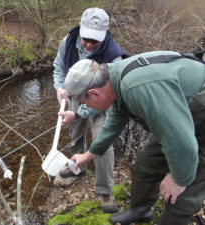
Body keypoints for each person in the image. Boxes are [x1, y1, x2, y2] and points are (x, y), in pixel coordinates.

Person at [61, 51, 205, 225]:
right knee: (146, 165)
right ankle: (141, 211)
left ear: (95, 93)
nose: (85, 107)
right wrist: (88, 155)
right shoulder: (115, 79)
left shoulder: (138, 88)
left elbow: (183, 143)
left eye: (84, 103)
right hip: (179, 120)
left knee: (184, 193)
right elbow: (113, 123)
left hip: (197, 121)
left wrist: (178, 179)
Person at [52, 7, 126, 211]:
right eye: (86, 38)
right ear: (80, 28)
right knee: (75, 133)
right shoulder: (68, 42)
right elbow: (59, 66)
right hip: (76, 95)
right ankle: (78, 167)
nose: (89, 44)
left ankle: (105, 191)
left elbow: (107, 99)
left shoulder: (113, 56)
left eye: (95, 40)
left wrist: (78, 113)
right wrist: (60, 87)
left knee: (102, 142)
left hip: (103, 101)